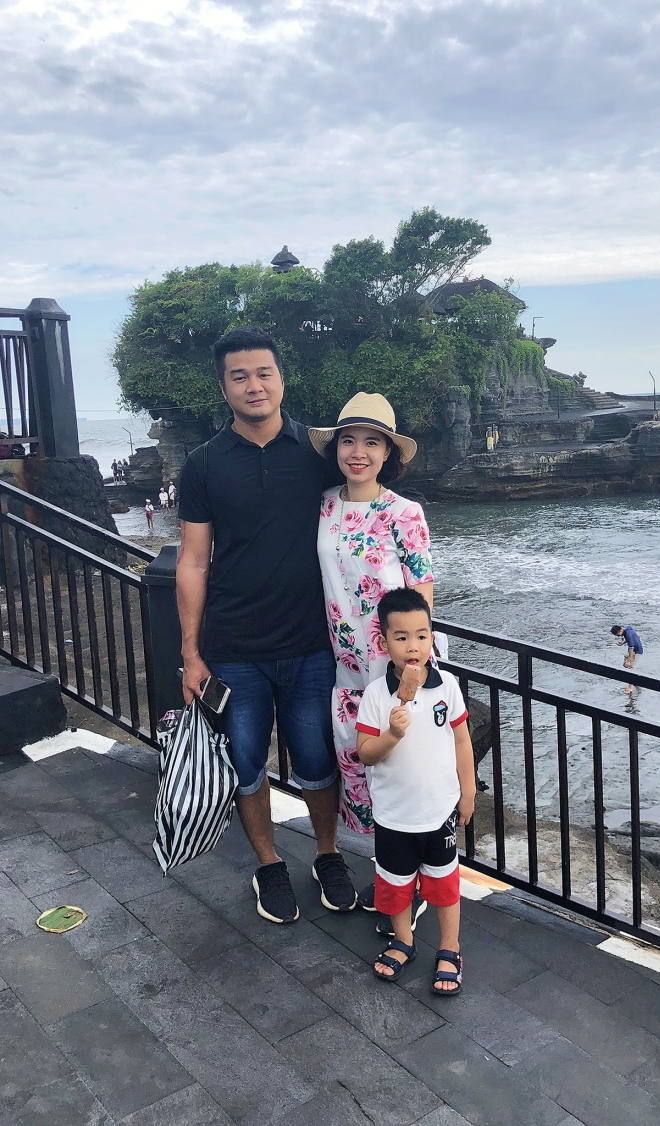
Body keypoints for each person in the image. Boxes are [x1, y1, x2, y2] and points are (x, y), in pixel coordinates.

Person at [177, 325, 356, 925]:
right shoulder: (203, 464)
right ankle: (268, 863)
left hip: (312, 645)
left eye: (264, 373)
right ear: (223, 386)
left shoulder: (317, 453)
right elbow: (193, 560)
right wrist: (191, 654)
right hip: (234, 650)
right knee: (247, 764)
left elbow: (365, 514)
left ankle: (328, 854)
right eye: (240, 376)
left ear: (282, 378)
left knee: (317, 760)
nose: (254, 385)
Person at [309, 392, 434, 930]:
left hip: (395, 669)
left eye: (372, 443)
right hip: (347, 671)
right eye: (349, 441)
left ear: (388, 454)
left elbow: (422, 591)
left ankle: (415, 887)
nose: (358, 452)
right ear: (336, 448)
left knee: (405, 778)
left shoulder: (405, 513)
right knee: (367, 775)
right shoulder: (324, 504)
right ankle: (392, 880)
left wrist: (414, 667)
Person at [355, 587, 476, 995]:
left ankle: (450, 948)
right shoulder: (377, 696)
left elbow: (461, 739)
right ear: (383, 642)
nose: (413, 647)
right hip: (394, 815)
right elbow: (365, 753)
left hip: (439, 811)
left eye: (422, 636)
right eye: (401, 637)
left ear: (432, 639)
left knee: (444, 886)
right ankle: (403, 939)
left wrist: (468, 791)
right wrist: (391, 733)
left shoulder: (447, 687)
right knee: (395, 886)